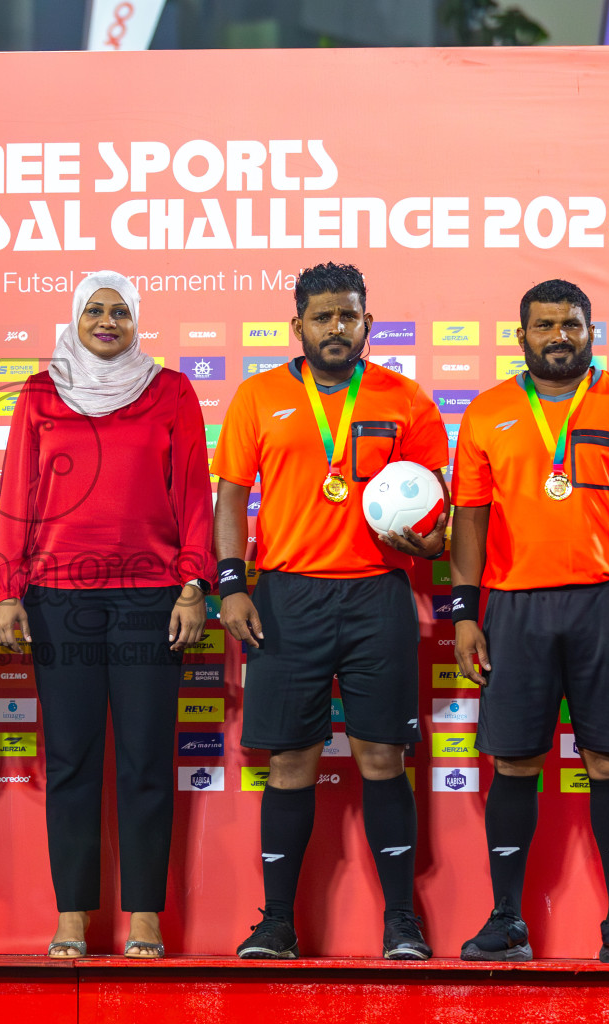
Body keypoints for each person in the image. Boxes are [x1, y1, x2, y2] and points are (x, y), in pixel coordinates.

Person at [213, 262, 449, 960]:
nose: (336, 328)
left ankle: (401, 921)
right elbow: (229, 497)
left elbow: (438, 510)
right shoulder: (259, 396)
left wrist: (430, 540)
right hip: (287, 596)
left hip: (378, 592)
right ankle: (277, 923)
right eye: (323, 316)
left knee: (383, 756)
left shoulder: (404, 399)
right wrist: (231, 584)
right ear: (299, 326)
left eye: (349, 315)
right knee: (290, 761)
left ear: (367, 323)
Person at [0, 271, 215, 960]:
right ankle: (73, 916)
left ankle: (144, 912)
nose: (108, 320)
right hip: (61, 598)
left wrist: (194, 583)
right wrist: (4, 589)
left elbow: (194, 493)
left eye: (120, 311)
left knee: (147, 759)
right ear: (75, 317)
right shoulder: (39, 391)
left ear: (137, 320)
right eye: (95, 309)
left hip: (151, 598)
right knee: (73, 759)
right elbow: (17, 492)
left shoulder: (171, 389)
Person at [451, 278, 609, 964]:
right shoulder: (489, 411)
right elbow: (470, 522)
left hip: (606, 604)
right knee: (515, 762)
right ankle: (506, 921)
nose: (559, 336)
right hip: (513, 606)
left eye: (571, 324)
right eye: (544, 325)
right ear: (521, 336)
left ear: (589, 329)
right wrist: (464, 613)